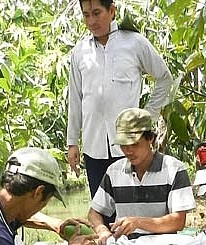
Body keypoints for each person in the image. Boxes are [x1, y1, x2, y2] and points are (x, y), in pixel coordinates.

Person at [67, 0, 174, 199]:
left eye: (97, 13)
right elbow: (75, 98)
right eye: (86, 15)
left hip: (130, 146)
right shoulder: (80, 52)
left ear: (112, 10)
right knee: (101, 211)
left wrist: (147, 117)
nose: (92, 21)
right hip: (94, 148)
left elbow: (164, 79)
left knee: (134, 208)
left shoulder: (134, 43)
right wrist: (72, 142)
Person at [88, 107, 195, 242]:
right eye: (123, 145)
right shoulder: (114, 172)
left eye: (134, 144)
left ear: (151, 138)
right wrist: (102, 230)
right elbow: (94, 212)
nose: (128, 151)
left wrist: (138, 222)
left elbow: (178, 221)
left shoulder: (174, 169)